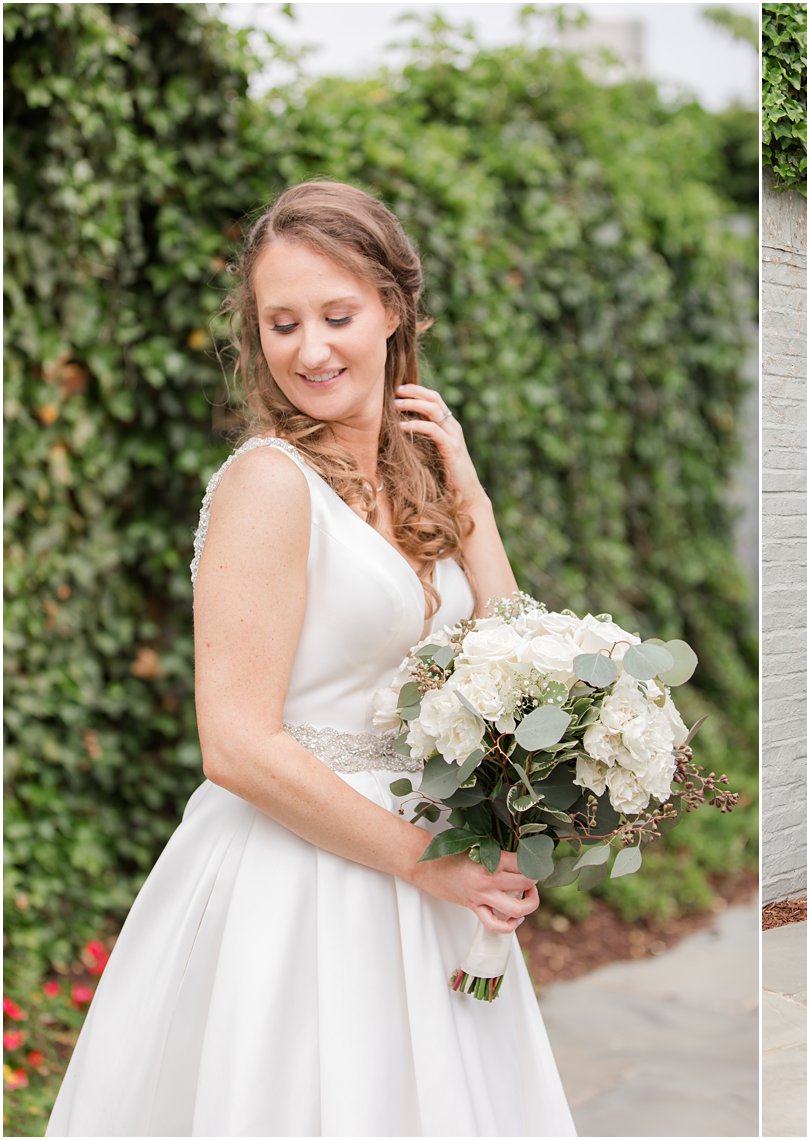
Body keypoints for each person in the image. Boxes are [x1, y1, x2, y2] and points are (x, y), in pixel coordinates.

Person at [47, 180, 577, 1134]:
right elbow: (237, 746)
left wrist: (475, 505)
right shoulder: (267, 484)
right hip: (302, 884)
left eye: (337, 314)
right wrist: (427, 864)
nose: (311, 348)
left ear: (395, 310)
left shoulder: (420, 478)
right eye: (281, 323)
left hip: (434, 880)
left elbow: (520, 666)